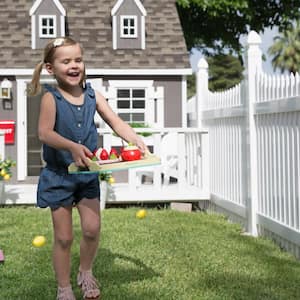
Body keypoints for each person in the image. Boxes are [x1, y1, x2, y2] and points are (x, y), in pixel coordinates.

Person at [28, 37, 147, 300]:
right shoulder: (52, 98)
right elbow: (44, 133)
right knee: (64, 238)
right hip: (59, 177)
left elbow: (116, 121)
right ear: (50, 68)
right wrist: (71, 146)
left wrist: (134, 138)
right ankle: (64, 287)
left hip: (87, 175)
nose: (74, 66)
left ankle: (85, 271)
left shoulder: (93, 95)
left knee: (92, 229)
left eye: (78, 60)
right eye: (66, 61)